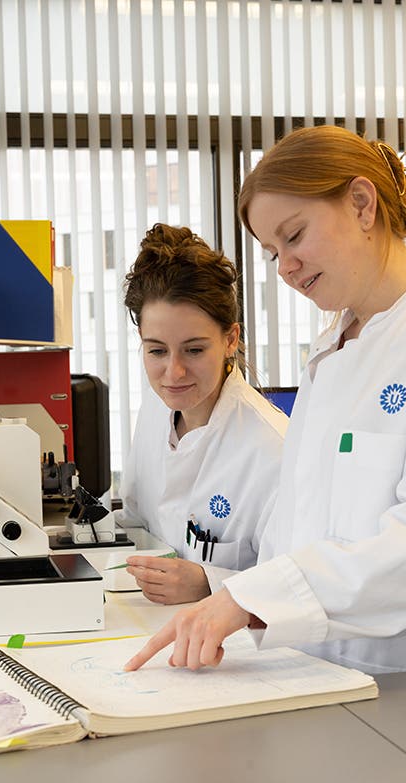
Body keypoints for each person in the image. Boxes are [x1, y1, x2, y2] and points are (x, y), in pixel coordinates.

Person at [125, 125, 406, 675]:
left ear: (361, 203)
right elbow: (294, 530)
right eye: (272, 251)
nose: (285, 267)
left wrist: (252, 599)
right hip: (311, 670)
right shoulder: (333, 348)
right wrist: (234, 603)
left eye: (294, 236)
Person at [117, 223, 288, 605]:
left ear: (231, 339)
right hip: (148, 620)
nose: (173, 373)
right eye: (156, 351)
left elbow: (292, 583)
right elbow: (137, 520)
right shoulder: (153, 408)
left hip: (235, 649)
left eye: (194, 350)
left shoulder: (272, 449)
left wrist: (210, 582)